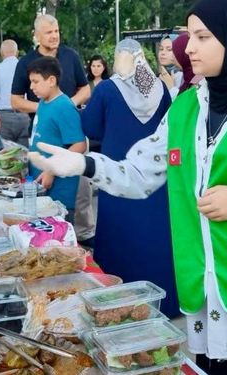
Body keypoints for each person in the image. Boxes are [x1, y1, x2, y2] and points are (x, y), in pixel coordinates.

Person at [29, 0, 227, 373]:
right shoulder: (187, 107)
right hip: (215, 298)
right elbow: (138, 174)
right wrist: (82, 163)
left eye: (202, 36)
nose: (189, 47)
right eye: (189, 36)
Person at [81, 39, 178, 317]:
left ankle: (117, 306)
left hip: (118, 173)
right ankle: (164, 302)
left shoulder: (108, 89)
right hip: (156, 178)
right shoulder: (160, 88)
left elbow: (90, 127)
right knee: (156, 236)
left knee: (119, 234)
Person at [28, 56, 87, 222]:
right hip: (42, 187)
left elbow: (79, 145)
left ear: (51, 80)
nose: (31, 87)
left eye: (36, 81)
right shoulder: (43, 102)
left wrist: (51, 170)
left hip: (60, 191)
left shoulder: (64, 107)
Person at [11, 14, 90, 118]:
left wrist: (69, 104)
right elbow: (15, 101)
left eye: (56, 31)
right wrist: (44, 108)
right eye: (49, 32)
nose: (54, 36)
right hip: (41, 126)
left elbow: (86, 89)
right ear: (37, 35)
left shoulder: (71, 56)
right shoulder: (25, 62)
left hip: (71, 122)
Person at [0, 39, 31, 147]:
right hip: (25, 116)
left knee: (4, 155)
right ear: (17, 52)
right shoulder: (27, 68)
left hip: (4, 118)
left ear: (1, 53)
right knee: (24, 155)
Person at [158, 35, 184, 100]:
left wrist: (171, 87)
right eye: (161, 49)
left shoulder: (184, 77)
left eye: (169, 49)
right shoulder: (160, 76)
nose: (163, 53)